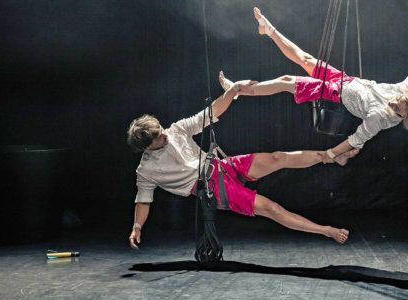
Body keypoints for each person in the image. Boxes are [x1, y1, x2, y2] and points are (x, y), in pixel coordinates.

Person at [126, 79, 350, 249]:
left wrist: (232, 91)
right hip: (211, 189)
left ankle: (331, 156)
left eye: (161, 131)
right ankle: (325, 230)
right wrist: (137, 227)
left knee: (277, 157)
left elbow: (211, 111)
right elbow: (143, 201)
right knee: (271, 208)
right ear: (147, 146)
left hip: (222, 166)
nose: (164, 135)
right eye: (159, 138)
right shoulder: (146, 171)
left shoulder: (175, 130)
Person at [219, 7, 408, 164]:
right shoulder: (403, 91)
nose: (395, 101)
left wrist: (333, 154)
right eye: (401, 99)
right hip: (345, 80)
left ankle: (236, 90)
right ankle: (268, 30)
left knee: (286, 81)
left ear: (403, 116)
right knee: (304, 59)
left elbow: (357, 138)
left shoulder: (380, 119)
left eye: (399, 108)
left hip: (334, 93)